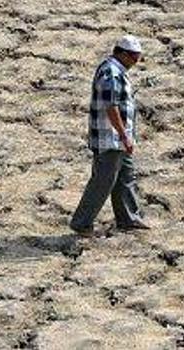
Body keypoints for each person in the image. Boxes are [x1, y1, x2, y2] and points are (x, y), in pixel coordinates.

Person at [69, 34, 151, 235]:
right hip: (111, 139)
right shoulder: (111, 72)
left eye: (138, 57)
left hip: (120, 139)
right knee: (103, 181)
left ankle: (128, 219)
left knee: (125, 177)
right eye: (133, 57)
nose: (135, 62)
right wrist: (123, 135)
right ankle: (81, 223)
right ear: (121, 53)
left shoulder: (117, 70)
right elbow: (111, 106)